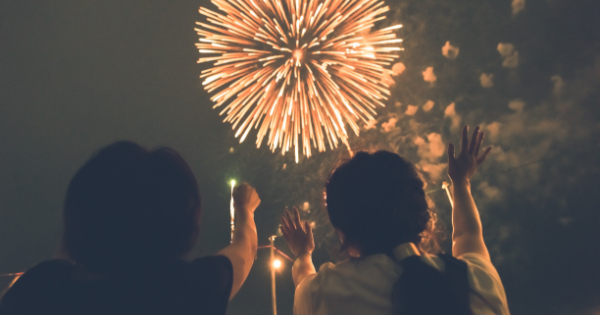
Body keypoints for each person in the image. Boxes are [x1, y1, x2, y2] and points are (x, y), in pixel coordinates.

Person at [0, 141, 260, 315]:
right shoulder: (186, 290)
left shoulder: (40, 288)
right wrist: (243, 210)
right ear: (183, 222)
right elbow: (245, 250)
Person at [280, 126, 510, 315]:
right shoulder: (479, 282)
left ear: (342, 229)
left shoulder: (325, 294)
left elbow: (303, 279)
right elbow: (468, 237)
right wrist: (460, 183)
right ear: (422, 212)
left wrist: (303, 253)